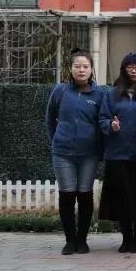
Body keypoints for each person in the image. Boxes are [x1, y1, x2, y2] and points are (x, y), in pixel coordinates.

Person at [45, 49, 105, 255]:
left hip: (89, 154)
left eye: (85, 66)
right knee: (67, 195)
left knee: (85, 194)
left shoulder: (100, 94)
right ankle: (70, 240)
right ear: (70, 69)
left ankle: (82, 240)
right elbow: (50, 119)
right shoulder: (60, 91)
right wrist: (56, 141)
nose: (81, 70)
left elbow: (102, 123)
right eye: (77, 66)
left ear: (91, 69)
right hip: (63, 154)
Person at [98, 53, 136, 253]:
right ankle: (126, 238)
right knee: (121, 199)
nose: (134, 71)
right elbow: (102, 118)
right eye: (130, 67)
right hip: (118, 154)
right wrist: (110, 125)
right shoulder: (111, 93)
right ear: (123, 69)